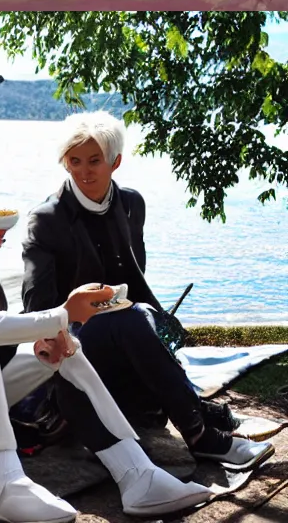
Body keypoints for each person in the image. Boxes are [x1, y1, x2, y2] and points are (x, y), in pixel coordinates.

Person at [0, 143, 215, 521]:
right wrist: (61, 313)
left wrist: (52, 332)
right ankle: (6, 487)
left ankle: (136, 473)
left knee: (62, 347)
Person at [20, 113, 271, 473]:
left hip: (127, 330)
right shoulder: (47, 218)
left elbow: (133, 279)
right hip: (72, 338)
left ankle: (193, 411)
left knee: (142, 319)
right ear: (65, 162)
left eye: (94, 161)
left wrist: (161, 323)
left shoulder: (131, 204)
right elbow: (37, 306)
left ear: (115, 162)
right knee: (134, 319)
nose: (83, 171)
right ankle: (200, 434)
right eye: (74, 161)